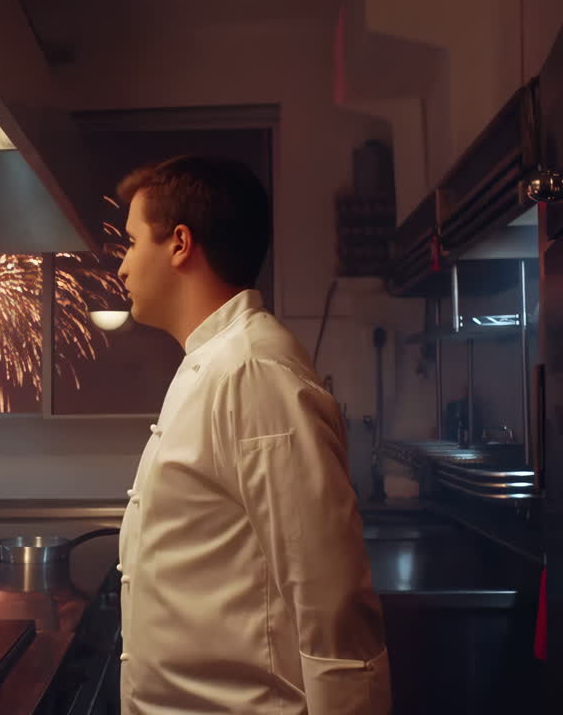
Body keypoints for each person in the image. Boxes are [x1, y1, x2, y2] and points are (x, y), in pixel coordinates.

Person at [114, 155, 390, 714]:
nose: (122, 267)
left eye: (132, 241)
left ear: (179, 244)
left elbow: (329, 597)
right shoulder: (214, 362)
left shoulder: (252, 371)